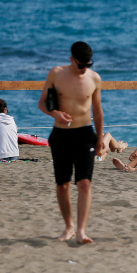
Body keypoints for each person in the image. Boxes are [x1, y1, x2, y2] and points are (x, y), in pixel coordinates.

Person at [37, 41, 104, 244]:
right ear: (71, 59)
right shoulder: (56, 74)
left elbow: (98, 111)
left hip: (85, 134)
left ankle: (82, 231)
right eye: (81, 64)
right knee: (62, 185)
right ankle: (69, 227)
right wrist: (54, 113)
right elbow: (42, 103)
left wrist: (100, 138)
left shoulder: (94, 78)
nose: (85, 68)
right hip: (61, 135)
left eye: (88, 65)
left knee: (84, 183)